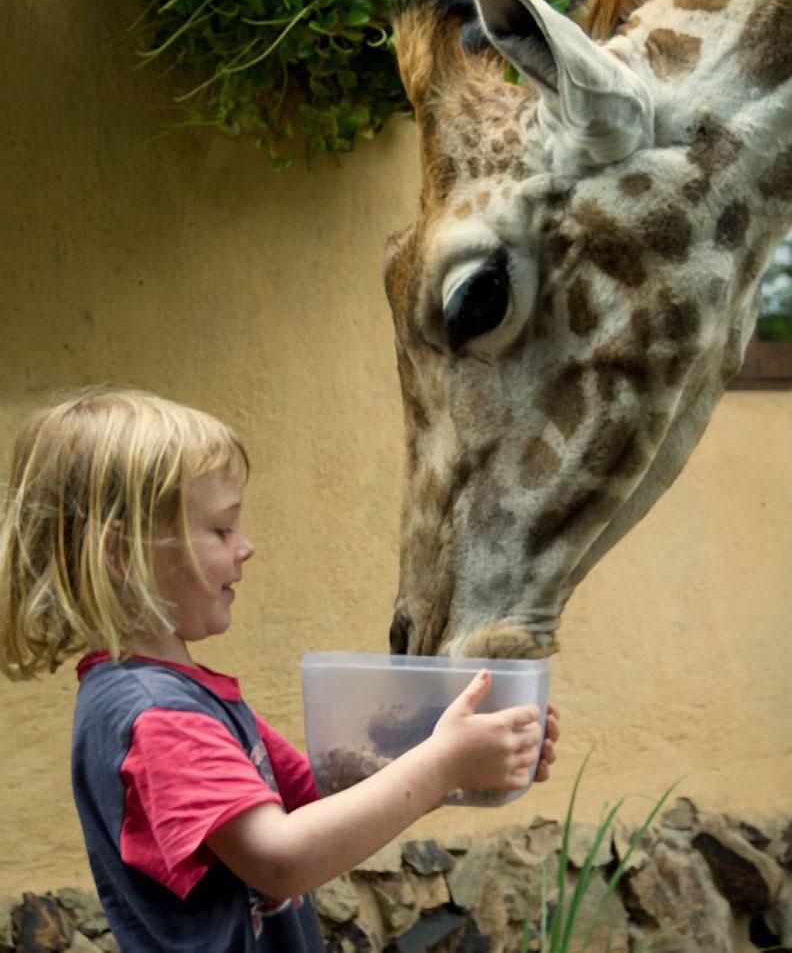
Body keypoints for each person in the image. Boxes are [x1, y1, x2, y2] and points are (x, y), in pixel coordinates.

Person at [0, 387, 559, 952]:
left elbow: (327, 794)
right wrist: (443, 763)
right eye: (221, 530)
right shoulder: (157, 717)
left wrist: (466, 757)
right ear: (123, 554)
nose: (247, 547)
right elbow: (282, 859)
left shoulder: (184, 696)